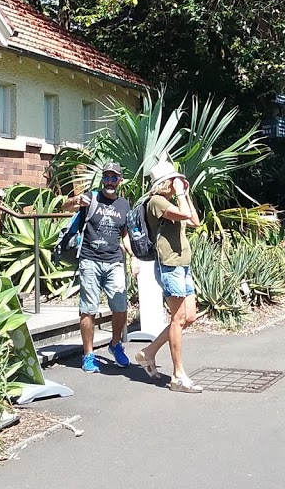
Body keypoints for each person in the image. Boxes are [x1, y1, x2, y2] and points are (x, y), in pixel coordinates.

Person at [134, 159, 202, 393]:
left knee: (189, 316)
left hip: (184, 265)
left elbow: (194, 220)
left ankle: (148, 352)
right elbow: (183, 214)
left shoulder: (172, 200)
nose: (179, 182)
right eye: (175, 179)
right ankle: (177, 375)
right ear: (165, 183)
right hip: (169, 265)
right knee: (178, 317)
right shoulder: (157, 202)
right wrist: (182, 194)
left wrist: (186, 194)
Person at [61, 162, 133, 374]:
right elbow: (65, 207)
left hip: (114, 261)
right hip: (90, 260)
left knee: (120, 306)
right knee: (88, 308)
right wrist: (75, 200)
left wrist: (134, 257)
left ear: (120, 180)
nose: (110, 182)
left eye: (114, 178)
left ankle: (115, 344)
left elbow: (126, 234)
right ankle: (89, 354)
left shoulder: (124, 205)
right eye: (106, 177)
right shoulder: (91, 198)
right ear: (103, 179)